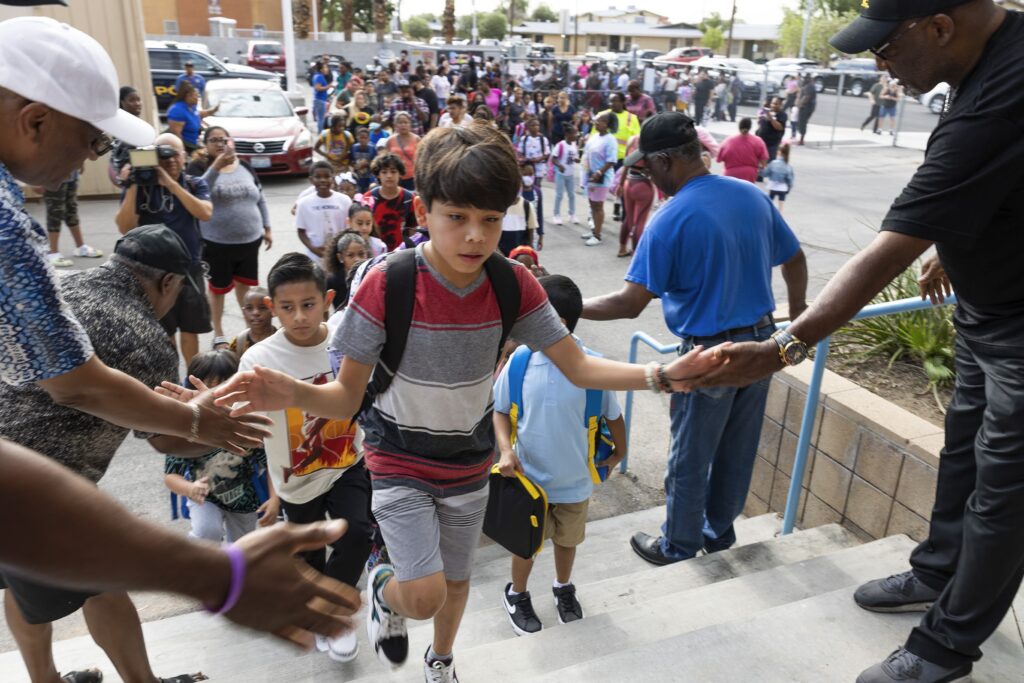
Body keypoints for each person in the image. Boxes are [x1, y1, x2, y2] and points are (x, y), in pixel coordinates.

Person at [212, 124, 723, 683]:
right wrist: (291, 391)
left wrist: (661, 374)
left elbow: (577, 365)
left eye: (491, 219)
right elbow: (346, 395)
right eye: (457, 216)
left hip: (470, 463)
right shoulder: (386, 283)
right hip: (399, 459)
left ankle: (442, 661)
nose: (476, 236)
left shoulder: (514, 284)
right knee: (426, 593)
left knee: (457, 583)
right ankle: (384, 588)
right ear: (423, 209)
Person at [0, 15, 358, 651]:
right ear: (33, 121)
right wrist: (197, 427)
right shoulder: (6, 224)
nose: (94, 157)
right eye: (91, 140)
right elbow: (76, 384)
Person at [696, 3, 1024, 681]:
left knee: (1004, 492)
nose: (879, 64)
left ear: (938, 26)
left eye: (886, 49)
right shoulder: (981, 56)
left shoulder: (1001, 94)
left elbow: (881, 253)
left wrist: (786, 345)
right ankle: (938, 572)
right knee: (962, 451)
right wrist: (955, 242)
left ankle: (945, 648)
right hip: (986, 304)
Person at [0, 225, 260, 683]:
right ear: (168, 282)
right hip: (38, 486)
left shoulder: (66, 286)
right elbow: (165, 441)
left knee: (22, 580)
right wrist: (216, 427)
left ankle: (46, 679)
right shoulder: (141, 332)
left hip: (11, 468)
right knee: (105, 583)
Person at [579, 111, 807, 568]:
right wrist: (798, 317)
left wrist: (565, 306)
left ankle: (678, 546)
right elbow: (795, 257)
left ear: (666, 162)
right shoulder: (750, 195)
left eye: (647, 167)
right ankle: (717, 534)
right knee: (737, 452)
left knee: (689, 457)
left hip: (708, 356)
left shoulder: (670, 219)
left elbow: (628, 303)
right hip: (762, 346)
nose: (647, 175)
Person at [238, 253, 374, 664]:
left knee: (357, 535)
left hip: (347, 462)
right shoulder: (258, 360)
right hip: (295, 480)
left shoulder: (348, 339)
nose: (299, 317)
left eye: (309, 305)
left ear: (328, 299)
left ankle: (333, 614)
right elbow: (235, 411)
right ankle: (316, 607)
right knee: (309, 553)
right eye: (287, 307)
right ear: (271, 308)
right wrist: (203, 409)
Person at [494, 274, 627, 635]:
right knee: (526, 548)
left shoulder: (593, 366)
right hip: (529, 482)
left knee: (568, 542)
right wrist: (506, 450)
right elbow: (501, 410)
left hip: (575, 484)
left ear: (558, 322)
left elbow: (614, 416)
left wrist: (619, 454)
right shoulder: (521, 361)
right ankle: (517, 593)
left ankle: (562, 587)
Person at [116, 132, 213, 364]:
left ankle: (192, 380)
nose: (170, 160)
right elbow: (124, 226)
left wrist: (169, 183)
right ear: (152, 157)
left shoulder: (193, 183)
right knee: (163, 332)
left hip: (189, 268)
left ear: (184, 157)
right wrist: (132, 186)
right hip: (153, 274)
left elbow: (205, 212)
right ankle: (171, 380)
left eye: (175, 155)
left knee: (190, 330)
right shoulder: (140, 187)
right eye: (163, 155)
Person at [163, 349, 278, 543]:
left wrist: (275, 499)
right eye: (206, 387)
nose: (213, 396)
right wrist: (189, 488)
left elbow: (271, 465)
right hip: (205, 498)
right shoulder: (188, 428)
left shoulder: (247, 424)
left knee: (242, 547)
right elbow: (170, 476)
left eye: (224, 387)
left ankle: (230, 571)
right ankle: (195, 562)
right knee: (206, 533)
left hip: (244, 501)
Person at [195, 126, 273, 342]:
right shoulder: (198, 167)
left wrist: (267, 227)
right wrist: (216, 167)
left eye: (223, 139)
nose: (220, 144)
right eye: (214, 140)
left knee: (245, 287)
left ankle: (251, 329)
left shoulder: (245, 166)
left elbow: (260, 197)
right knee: (218, 289)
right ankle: (218, 333)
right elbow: (197, 192)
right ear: (206, 144)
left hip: (249, 241)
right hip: (216, 243)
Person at [42, 168, 103, 267]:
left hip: (71, 174)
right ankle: (53, 253)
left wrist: (80, 162)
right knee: (55, 213)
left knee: (71, 211)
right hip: (53, 176)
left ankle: (80, 247)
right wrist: (36, 181)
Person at [295, 160, 351, 262]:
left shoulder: (344, 201)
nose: (323, 180)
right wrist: (314, 249)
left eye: (327, 176)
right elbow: (301, 231)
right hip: (315, 257)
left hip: (339, 254)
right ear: (311, 180)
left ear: (333, 179)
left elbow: (349, 228)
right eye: (318, 177)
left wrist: (339, 249)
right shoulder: (303, 203)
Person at [581, 113, 619, 247]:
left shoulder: (610, 140)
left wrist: (599, 172)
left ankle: (597, 236)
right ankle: (593, 230)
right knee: (592, 204)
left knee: (598, 206)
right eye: (596, 121)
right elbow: (586, 154)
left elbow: (611, 160)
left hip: (602, 177)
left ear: (607, 124)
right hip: (591, 176)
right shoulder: (594, 137)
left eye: (600, 121)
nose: (596, 123)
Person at [616, 135, 655, 258]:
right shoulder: (652, 144)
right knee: (640, 221)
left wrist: (621, 184)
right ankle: (636, 254)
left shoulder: (632, 140)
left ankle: (622, 248)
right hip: (643, 185)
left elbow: (626, 164)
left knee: (628, 218)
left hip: (629, 182)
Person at [368, 153, 417, 251]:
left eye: (393, 172)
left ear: (400, 174)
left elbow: (413, 231)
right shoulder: (369, 198)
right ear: (378, 175)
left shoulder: (409, 199)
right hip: (375, 253)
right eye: (384, 172)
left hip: (401, 253)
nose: (389, 176)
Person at [516, 118, 550, 238]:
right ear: (528, 127)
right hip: (526, 169)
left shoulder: (542, 139)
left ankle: (535, 212)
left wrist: (537, 159)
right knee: (525, 189)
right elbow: (519, 152)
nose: (536, 127)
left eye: (538, 125)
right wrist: (523, 159)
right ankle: (525, 210)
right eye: (533, 125)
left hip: (538, 169)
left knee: (536, 190)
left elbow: (546, 153)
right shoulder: (524, 139)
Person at [323, 230, 371, 311]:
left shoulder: (372, 276)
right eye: (350, 255)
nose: (357, 259)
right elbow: (324, 307)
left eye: (361, 254)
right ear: (340, 257)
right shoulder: (332, 281)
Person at [166, 81, 217, 153]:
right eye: (195, 96)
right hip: (187, 147)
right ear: (188, 96)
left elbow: (198, 114)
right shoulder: (177, 110)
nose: (197, 98)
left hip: (195, 143)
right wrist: (183, 153)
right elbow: (176, 135)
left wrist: (212, 111)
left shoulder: (192, 106)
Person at [225, 286, 277, 357]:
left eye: (262, 308)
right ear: (244, 312)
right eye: (249, 308)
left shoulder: (282, 339)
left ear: (273, 311)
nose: (256, 313)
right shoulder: (238, 343)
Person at [717, 118, 769, 184]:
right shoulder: (758, 141)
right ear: (750, 127)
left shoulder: (729, 141)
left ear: (739, 126)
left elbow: (719, 158)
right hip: (750, 174)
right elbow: (764, 161)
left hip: (731, 174)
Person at [550, 123, 579, 226]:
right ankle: (556, 215)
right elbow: (553, 158)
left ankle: (572, 214)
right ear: (567, 134)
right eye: (574, 133)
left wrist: (576, 159)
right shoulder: (561, 145)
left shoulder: (574, 145)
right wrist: (560, 165)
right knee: (559, 195)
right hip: (561, 174)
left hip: (570, 175)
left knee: (572, 195)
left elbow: (574, 156)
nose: (576, 135)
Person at [385, 111, 421, 191]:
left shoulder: (417, 139)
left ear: (410, 124)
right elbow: (386, 159)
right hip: (396, 178)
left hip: (412, 178)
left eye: (405, 122)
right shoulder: (390, 140)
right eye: (400, 122)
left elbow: (422, 159)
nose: (403, 125)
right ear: (395, 125)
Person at [499, 191, 537, 257]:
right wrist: (497, 251)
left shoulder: (526, 205)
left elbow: (531, 229)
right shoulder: (498, 206)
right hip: (501, 252)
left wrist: (530, 250)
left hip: (521, 252)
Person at [763, 143, 795, 214]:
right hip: (783, 188)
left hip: (773, 186)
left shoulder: (773, 163)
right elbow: (790, 179)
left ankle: (769, 216)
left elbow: (766, 173)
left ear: (779, 152)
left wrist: (760, 170)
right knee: (781, 207)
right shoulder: (788, 166)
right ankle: (780, 219)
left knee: (770, 204)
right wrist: (789, 187)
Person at [756, 97, 788, 164]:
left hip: (771, 145)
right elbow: (760, 123)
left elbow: (780, 127)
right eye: (772, 103)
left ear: (781, 105)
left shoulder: (782, 115)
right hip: (760, 142)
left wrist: (770, 118)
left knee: (769, 164)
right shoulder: (767, 112)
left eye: (776, 104)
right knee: (758, 162)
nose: (773, 105)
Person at [796, 73, 817, 145]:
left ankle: (801, 140)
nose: (804, 79)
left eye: (805, 78)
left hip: (806, 107)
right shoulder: (806, 85)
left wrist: (800, 104)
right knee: (801, 122)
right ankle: (800, 138)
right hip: (805, 107)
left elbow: (807, 97)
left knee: (802, 122)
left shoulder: (809, 86)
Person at [312, 62, 332, 132]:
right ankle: (320, 133)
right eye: (325, 67)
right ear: (321, 69)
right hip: (320, 100)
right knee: (321, 119)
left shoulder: (317, 76)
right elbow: (318, 88)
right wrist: (328, 86)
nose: (327, 69)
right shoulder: (319, 77)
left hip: (319, 99)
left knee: (320, 118)